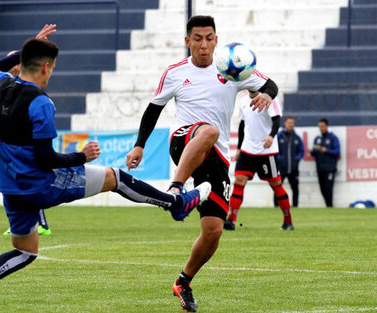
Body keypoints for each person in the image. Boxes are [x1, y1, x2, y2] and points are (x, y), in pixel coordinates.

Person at [0, 25, 211, 313]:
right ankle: (175, 203)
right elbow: (46, 159)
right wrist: (81, 157)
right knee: (117, 178)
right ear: (46, 68)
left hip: (11, 190)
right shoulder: (40, 103)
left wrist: (31, 45)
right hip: (42, 185)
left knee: (24, 251)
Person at [125, 15, 278, 312]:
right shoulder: (175, 72)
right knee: (208, 129)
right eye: (197, 38)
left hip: (217, 157)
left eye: (209, 38)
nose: (204, 45)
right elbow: (153, 109)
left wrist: (267, 97)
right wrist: (139, 145)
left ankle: (183, 282)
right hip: (184, 141)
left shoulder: (232, 70)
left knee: (213, 230)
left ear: (217, 41)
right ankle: (175, 190)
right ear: (187, 41)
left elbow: (270, 84)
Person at [0, 45, 52, 236]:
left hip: (25, 142)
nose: (12, 66)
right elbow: (5, 114)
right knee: (17, 185)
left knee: (29, 182)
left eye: (14, 61)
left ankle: (41, 224)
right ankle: (22, 224)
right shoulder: (7, 83)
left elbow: (18, 112)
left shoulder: (19, 85)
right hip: (12, 143)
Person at [224, 92, 294, 231]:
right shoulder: (243, 98)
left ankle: (288, 221)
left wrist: (271, 136)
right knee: (238, 182)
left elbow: (276, 120)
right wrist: (239, 148)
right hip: (247, 149)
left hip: (266, 150)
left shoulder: (269, 98)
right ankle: (231, 220)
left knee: (276, 184)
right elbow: (243, 124)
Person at [310, 118, 340, 207]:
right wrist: (312, 151)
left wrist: (326, 150)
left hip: (330, 168)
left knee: (328, 188)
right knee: (322, 188)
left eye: (322, 126)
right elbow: (315, 153)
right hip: (320, 167)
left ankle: (329, 206)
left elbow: (337, 152)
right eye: (319, 126)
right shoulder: (317, 139)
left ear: (327, 126)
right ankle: (328, 205)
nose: (321, 128)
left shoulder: (333, 138)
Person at [275, 116, 304, 207]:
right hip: (281, 168)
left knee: (295, 189)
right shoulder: (279, 136)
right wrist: (280, 159)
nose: (290, 125)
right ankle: (276, 206)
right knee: (277, 188)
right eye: (289, 123)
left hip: (293, 169)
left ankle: (295, 205)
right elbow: (274, 150)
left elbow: (301, 151)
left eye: (292, 123)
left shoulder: (297, 138)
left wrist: (296, 159)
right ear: (285, 123)